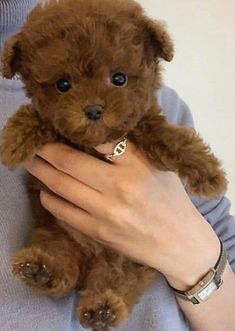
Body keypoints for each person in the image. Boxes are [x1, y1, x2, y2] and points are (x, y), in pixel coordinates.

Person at [0, 1, 235, 331]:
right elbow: (25, 129)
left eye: (119, 79)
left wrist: (189, 251)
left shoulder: (163, 106)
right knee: (54, 245)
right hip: (62, 237)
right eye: (64, 86)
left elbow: (228, 260)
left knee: (125, 269)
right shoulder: (33, 78)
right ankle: (57, 272)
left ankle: (108, 298)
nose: (93, 104)